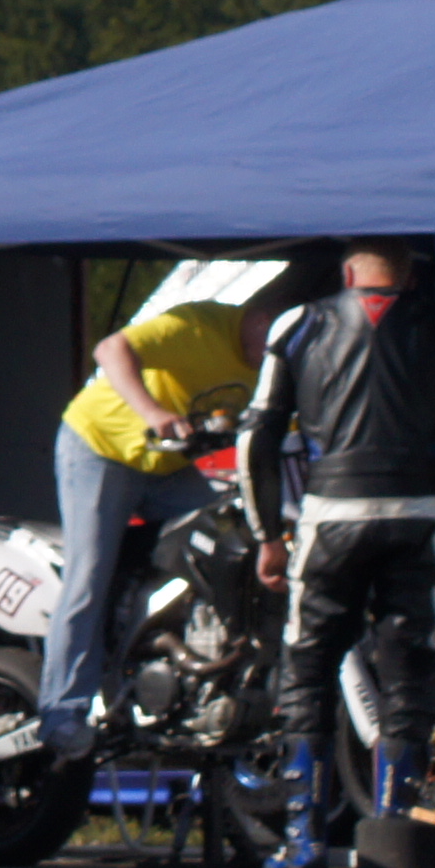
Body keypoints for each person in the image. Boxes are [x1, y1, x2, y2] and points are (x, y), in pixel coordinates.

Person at [240, 243, 435, 868]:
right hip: (422, 511)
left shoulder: (300, 324)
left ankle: (303, 841)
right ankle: (396, 834)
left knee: (308, 667)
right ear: (411, 274)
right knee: (410, 669)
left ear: (347, 271)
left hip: (330, 514)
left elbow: (257, 435)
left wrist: (266, 534)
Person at [38, 262, 314, 759]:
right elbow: (110, 349)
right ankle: (62, 710)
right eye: (270, 338)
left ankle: (192, 659)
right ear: (256, 316)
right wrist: (154, 413)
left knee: (226, 535)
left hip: (165, 468)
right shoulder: (198, 323)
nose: (270, 353)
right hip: (100, 447)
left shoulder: (274, 364)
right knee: (89, 574)